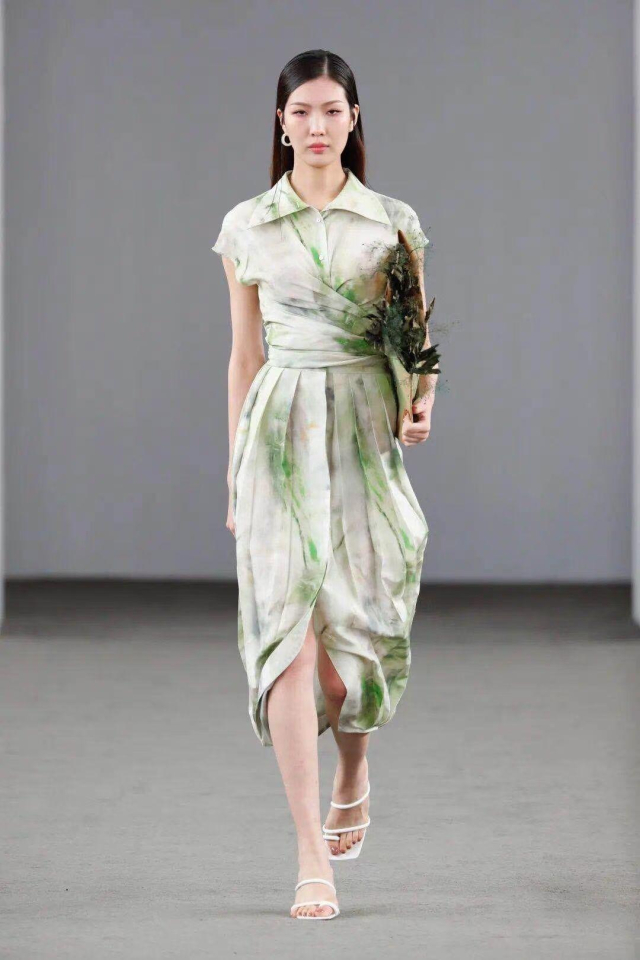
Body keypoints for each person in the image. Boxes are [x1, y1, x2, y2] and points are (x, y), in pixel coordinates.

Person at [211, 49, 437, 921]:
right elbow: (244, 356)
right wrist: (235, 470)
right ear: (281, 121)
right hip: (277, 436)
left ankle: (353, 765)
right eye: (301, 111)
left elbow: (416, 342)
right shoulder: (248, 226)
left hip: (361, 437)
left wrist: (421, 402)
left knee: (351, 661)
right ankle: (311, 856)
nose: (316, 125)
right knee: (288, 642)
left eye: (331, 110)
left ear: (353, 118)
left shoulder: (391, 223)